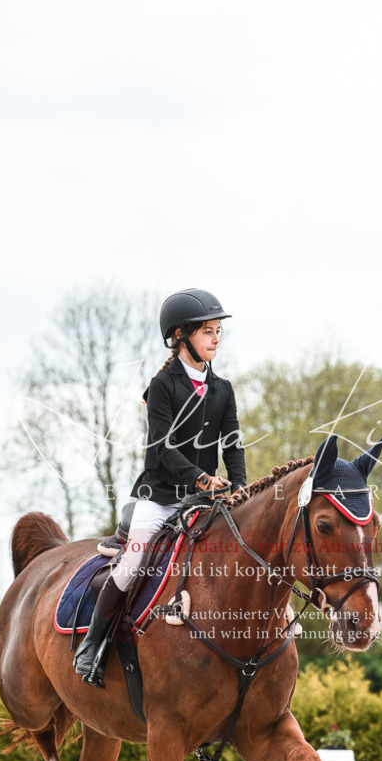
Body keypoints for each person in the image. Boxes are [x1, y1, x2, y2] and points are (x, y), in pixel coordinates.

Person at [74, 288, 247, 687]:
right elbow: (164, 448)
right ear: (180, 336)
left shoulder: (223, 389)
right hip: (160, 497)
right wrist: (201, 478)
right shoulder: (163, 387)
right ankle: (93, 647)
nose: (216, 338)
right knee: (135, 561)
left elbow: (232, 444)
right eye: (208, 331)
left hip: (203, 502)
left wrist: (239, 487)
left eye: (218, 331)